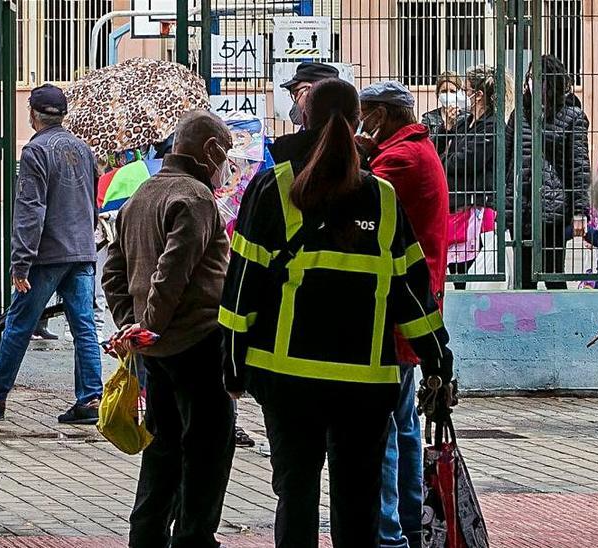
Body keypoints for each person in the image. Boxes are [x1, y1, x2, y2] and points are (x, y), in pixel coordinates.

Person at [219, 78, 454, 548]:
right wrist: (437, 362)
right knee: (358, 504)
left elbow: (242, 287)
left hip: (286, 378)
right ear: (357, 123)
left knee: (296, 494)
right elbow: (412, 296)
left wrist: (232, 366)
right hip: (363, 385)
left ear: (304, 120)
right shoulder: (382, 198)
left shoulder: (272, 188)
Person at [102, 109, 237, 548]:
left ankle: (146, 535)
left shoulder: (141, 195)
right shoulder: (196, 200)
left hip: (156, 353)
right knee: (208, 449)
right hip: (197, 343)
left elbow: (114, 272)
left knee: (161, 448)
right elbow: (172, 272)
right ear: (210, 150)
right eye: (225, 154)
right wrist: (149, 327)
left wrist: (132, 327)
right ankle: (194, 537)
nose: (227, 166)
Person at [0, 84, 103, 424]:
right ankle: (90, 399)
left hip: (47, 255)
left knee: (19, 324)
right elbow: (89, 201)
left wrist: (20, 262)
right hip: (81, 251)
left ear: (33, 114)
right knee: (84, 328)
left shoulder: (36, 151)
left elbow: (30, 210)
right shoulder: (82, 149)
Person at [356, 81, 449, 548]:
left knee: (386, 430)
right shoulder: (409, 148)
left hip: (400, 308)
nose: (362, 122)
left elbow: (357, 196)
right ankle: (409, 523)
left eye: (367, 113)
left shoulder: (400, 158)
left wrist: (353, 155)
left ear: (387, 114)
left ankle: (390, 531)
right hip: (414, 304)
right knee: (404, 423)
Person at [511, 55, 590, 290]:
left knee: (553, 274)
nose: (533, 84)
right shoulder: (520, 114)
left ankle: (561, 325)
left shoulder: (572, 117)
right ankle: (525, 325)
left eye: (540, 79)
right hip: (523, 206)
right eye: (530, 77)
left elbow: (579, 167)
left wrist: (579, 211)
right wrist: (503, 204)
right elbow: (506, 158)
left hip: (552, 209)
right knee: (523, 278)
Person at [441, 65, 510, 288]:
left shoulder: (492, 126)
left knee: (472, 272)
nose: (462, 95)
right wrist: (448, 129)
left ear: (478, 95)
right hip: (456, 206)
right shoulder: (464, 122)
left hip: (477, 207)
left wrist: (445, 161)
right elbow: (443, 151)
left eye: (466, 89)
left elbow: (466, 161)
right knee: (456, 270)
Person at [269, 62, 340, 164]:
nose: (295, 101)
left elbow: (283, 179)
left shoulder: (288, 147)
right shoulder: (352, 144)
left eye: (296, 92)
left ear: (310, 91)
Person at [421, 71, 465, 150]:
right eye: (444, 91)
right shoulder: (429, 118)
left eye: (452, 91)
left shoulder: (467, 118)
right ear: (438, 94)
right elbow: (426, 147)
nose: (448, 94)